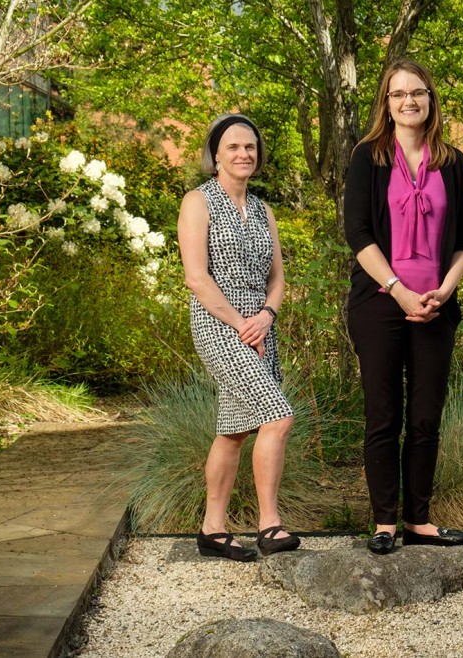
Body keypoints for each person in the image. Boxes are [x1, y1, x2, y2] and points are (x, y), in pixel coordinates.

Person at [343, 59, 463, 556]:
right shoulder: (368, 157)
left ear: (431, 99)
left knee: (425, 416)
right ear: (386, 102)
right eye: (397, 94)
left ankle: (418, 518)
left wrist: (445, 289)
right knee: (383, 414)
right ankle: (383, 522)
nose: (408, 102)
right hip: (380, 302)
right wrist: (399, 290)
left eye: (417, 93)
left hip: (436, 304)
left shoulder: (453, 161)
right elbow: (357, 233)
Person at [179, 113, 300, 562]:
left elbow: (278, 279)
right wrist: (240, 323)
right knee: (278, 415)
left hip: (260, 327)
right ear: (216, 155)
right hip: (218, 324)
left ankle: (213, 530)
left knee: (234, 430)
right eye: (233, 147)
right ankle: (270, 525)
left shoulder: (264, 210)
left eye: (250, 147)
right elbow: (197, 277)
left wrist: (267, 314)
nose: (243, 154)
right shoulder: (198, 202)